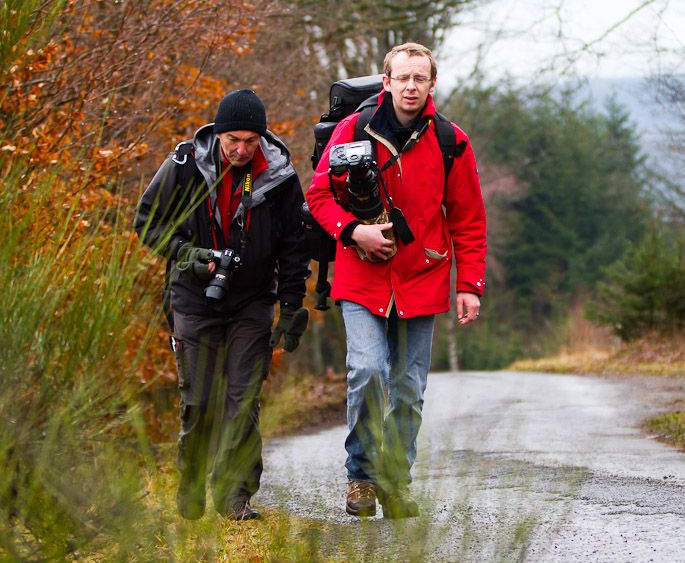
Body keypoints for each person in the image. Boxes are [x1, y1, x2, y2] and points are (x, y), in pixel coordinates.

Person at [306, 43, 487, 519]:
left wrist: (469, 283)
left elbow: (468, 218)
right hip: (360, 278)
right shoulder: (351, 130)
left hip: (422, 277)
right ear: (386, 82)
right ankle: (362, 478)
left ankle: (396, 482)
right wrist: (355, 230)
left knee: (407, 388)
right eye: (402, 78)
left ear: (432, 84)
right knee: (367, 371)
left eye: (419, 79)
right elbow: (319, 195)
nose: (411, 86)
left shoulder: (451, 140)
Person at [134, 89, 311, 521]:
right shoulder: (185, 164)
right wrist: (187, 255)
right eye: (233, 139)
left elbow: (293, 246)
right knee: (199, 401)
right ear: (217, 134)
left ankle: (235, 495)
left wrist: (291, 305)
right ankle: (191, 482)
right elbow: (147, 221)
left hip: (252, 299)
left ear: (262, 139)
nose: (241, 149)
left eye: (251, 141)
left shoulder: (280, 175)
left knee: (242, 397)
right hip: (195, 297)